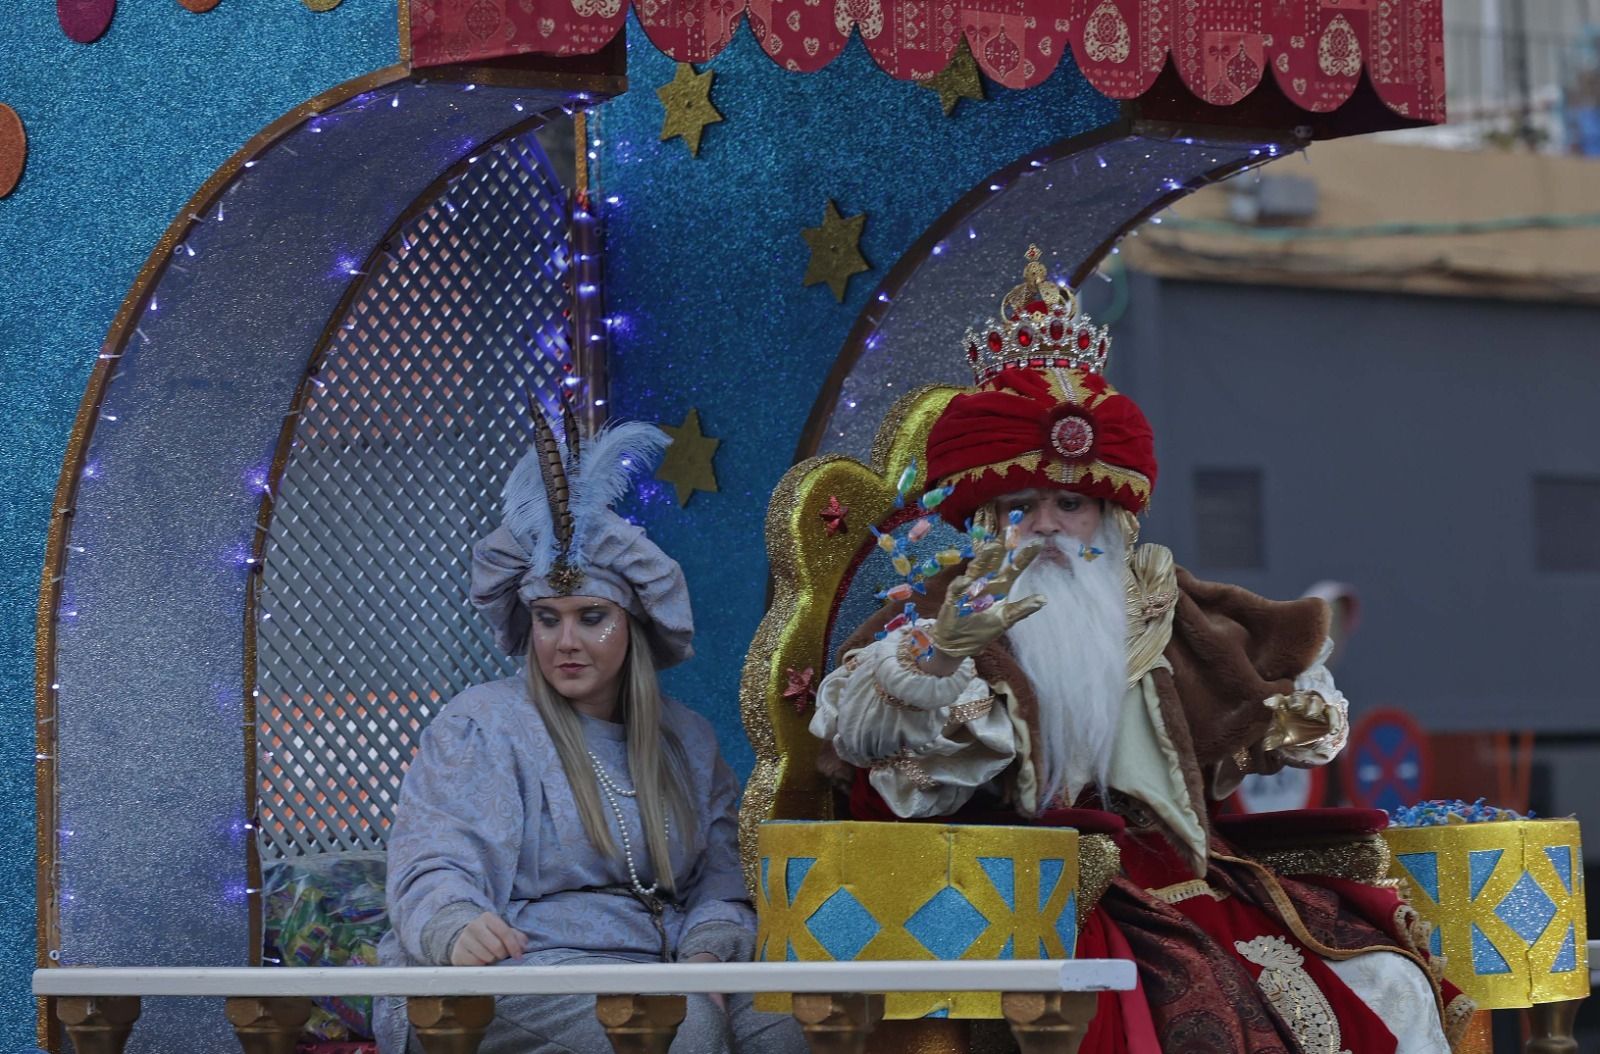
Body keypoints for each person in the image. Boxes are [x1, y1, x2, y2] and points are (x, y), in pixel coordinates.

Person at [810, 247, 1470, 1053]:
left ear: (1111, 517)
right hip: (1033, 888)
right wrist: (942, 658)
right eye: (1021, 505)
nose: (1046, 525)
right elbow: (853, 739)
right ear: (987, 519)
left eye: (1069, 504)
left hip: (1188, 868)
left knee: (1387, 979)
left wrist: (1293, 722)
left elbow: (1284, 704)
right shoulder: (947, 612)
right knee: (1194, 1015)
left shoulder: (1166, 606)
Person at [375, 405, 802, 1054]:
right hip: (511, 971)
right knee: (684, 1026)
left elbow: (721, 879)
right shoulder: (484, 723)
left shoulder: (686, 740)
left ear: (631, 622)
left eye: (590, 617)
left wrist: (710, 954)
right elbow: (434, 856)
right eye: (548, 619)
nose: (565, 642)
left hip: (652, 965)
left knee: (790, 1019)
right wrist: (454, 923)